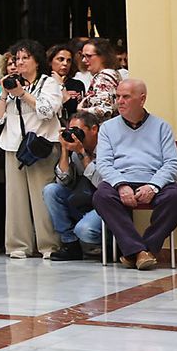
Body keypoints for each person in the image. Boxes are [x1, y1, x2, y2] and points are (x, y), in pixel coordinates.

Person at [91, 79, 177, 270]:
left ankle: (141, 250)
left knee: (176, 198)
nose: (120, 101)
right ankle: (140, 252)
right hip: (121, 180)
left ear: (142, 100)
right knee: (101, 196)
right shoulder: (107, 128)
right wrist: (121, 185)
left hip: (153, 180)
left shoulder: (161, 127)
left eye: (126, 97)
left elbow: (173, 164)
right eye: (117, 97)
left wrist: (153, 186)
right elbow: (104, 164)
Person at [0, 40, 62, 259]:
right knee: (15, 199)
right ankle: (18, 245)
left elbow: (47, 111)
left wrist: (22, 94)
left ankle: (49, 245)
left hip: (40, 146)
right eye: (16, 59)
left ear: (37, 61)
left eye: (24, 58)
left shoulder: (48, 83)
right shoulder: (11, 85)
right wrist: (4, 93)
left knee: (42, 198)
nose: (19, 63)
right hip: (13, 146)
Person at [45, 110, 103, 262]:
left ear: (94, 129)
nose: (74, 136)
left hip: (105, 204)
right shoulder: (75, 150)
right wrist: (64, 150)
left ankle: (107, 246)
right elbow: (63, 180)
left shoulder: (106, 147)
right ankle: (70, 244)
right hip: (83, 200)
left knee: (84, 230)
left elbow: (101, 183)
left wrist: (82, 153)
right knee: (51, 190)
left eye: (78, 131)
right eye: (71, 131)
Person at [77, 38, 122, 120]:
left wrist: (82, 110)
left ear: (103, 57)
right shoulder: (113, 73)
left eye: (89, 56)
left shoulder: (104, 77)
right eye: (83, 56)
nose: (83, 60)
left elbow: (105, 110)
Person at [49, 43, 85, 123]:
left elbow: (73, 108)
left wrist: (61, 85)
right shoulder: (43, 82)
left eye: (69, 61)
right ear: (50, 61)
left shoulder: (77, 84)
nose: (65, 63)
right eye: (61, 59)